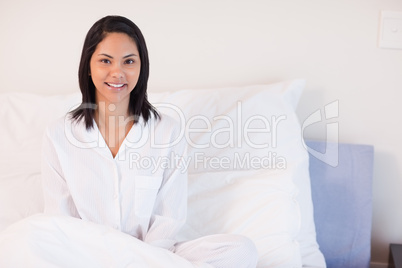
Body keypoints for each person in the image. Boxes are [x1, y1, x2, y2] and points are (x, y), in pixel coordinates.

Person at [42, 15, 258, 267]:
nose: (117, 72)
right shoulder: (59, 134)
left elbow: (168, 220)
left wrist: (142, 260)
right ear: (88, 66)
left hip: (154, 257)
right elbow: (60, 220)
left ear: (141, 67)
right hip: (87, 258)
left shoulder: (167, 131)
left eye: (129, 61)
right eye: (105, 61)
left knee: (241, 250)